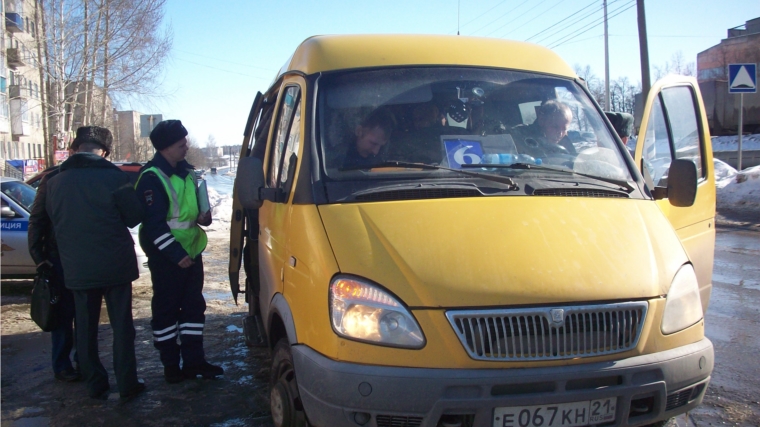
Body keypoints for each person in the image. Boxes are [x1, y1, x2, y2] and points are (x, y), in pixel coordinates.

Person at [45, 126, 145, 402]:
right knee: (122, 328)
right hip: (115, 266)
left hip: (77, 268)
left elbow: (49, 221)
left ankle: (95, 384)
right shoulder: (115, 178)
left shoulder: (54, 182)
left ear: (76, 149)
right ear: (104, 152)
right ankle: (128, 383)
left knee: (85, 329)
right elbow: (133, 217)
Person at [134, 120, 222, 384]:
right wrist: (174, 254)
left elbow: (191, 213)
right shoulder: (151, 177)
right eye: (181, 143)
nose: (186, 147)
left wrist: (204, 217)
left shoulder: (187, 173)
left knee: (194, 309)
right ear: (165, 147)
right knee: (167, 311)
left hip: (192, 251)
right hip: (168, 258)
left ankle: (195, 362)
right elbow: (153, 224)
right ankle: (171, 366)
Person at [28, 141, 83, 383]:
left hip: (84, 258)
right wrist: (39, 259)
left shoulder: (92, 178)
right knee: (61, 314)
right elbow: (37, 219)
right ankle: (61, 365)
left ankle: (85, 361)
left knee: (84, 314)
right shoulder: (52, 178)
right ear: (72, 151)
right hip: (57, 258)